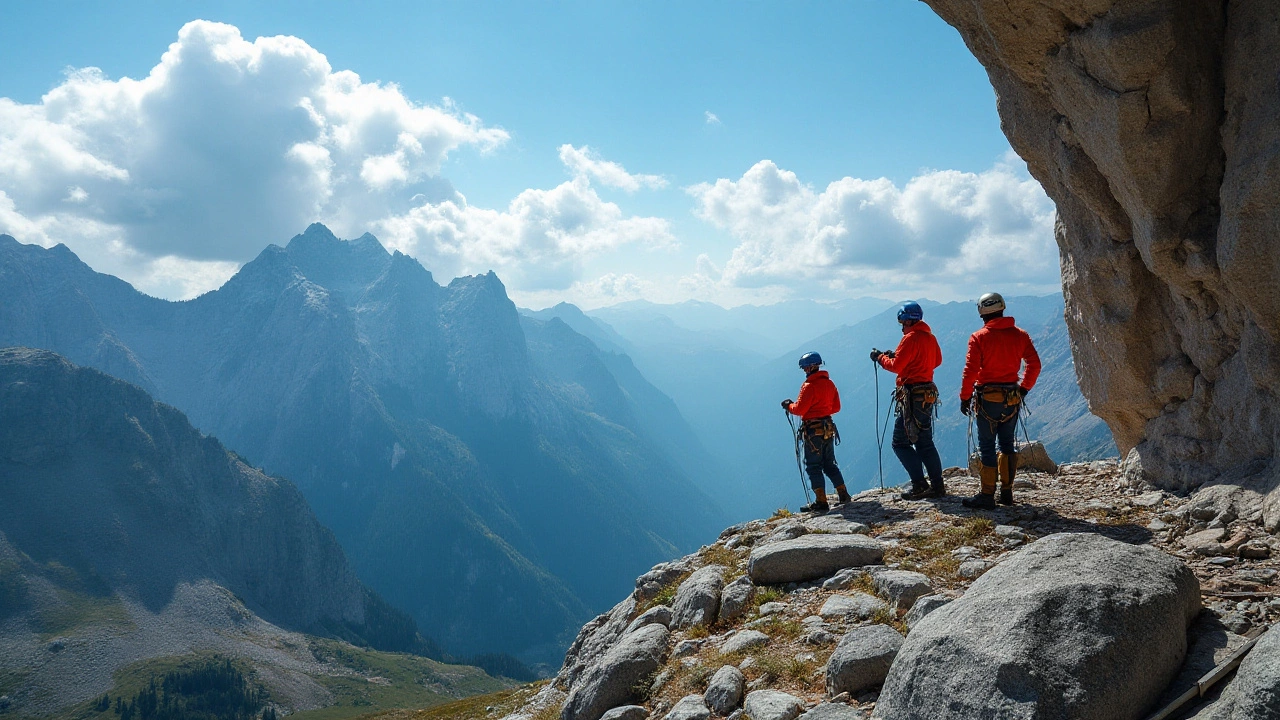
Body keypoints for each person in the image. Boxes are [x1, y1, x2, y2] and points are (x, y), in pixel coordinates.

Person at [959, 292, 1042, 508]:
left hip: (987, 399)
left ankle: (987, 495)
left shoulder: (979, 337)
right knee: (1007, 445)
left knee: (987, 445)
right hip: (1012, 399)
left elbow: (970, 372)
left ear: (982, 313)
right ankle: (1007, 492)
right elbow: (1035, 365)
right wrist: (1023, 390)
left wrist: (965, 397)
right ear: (1003, 308)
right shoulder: (1020, 335)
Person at [871, 301, 945, 500]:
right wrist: (912, 361)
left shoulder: (909, 339)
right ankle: (937, 485)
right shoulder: (930, 337)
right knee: (925, 441)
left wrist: (880, 358)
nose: (902, 327)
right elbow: (936, 361)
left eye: (902, 322)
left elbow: (896, 366)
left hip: (913, 395)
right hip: (926, 394)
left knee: (900, 442)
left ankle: (919, 483)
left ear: (906, 320)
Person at [782, 352, 852, 513]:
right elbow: (836, 408)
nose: (805, 370)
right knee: (829, 463)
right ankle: (843, 493)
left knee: (813, 465)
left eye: (806, 367)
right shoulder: (830, 384)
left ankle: (821, 501)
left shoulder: (809, 386)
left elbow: (799, 409)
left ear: (812, 367)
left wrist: (789, 406)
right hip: (828, 427)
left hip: (813, 431)